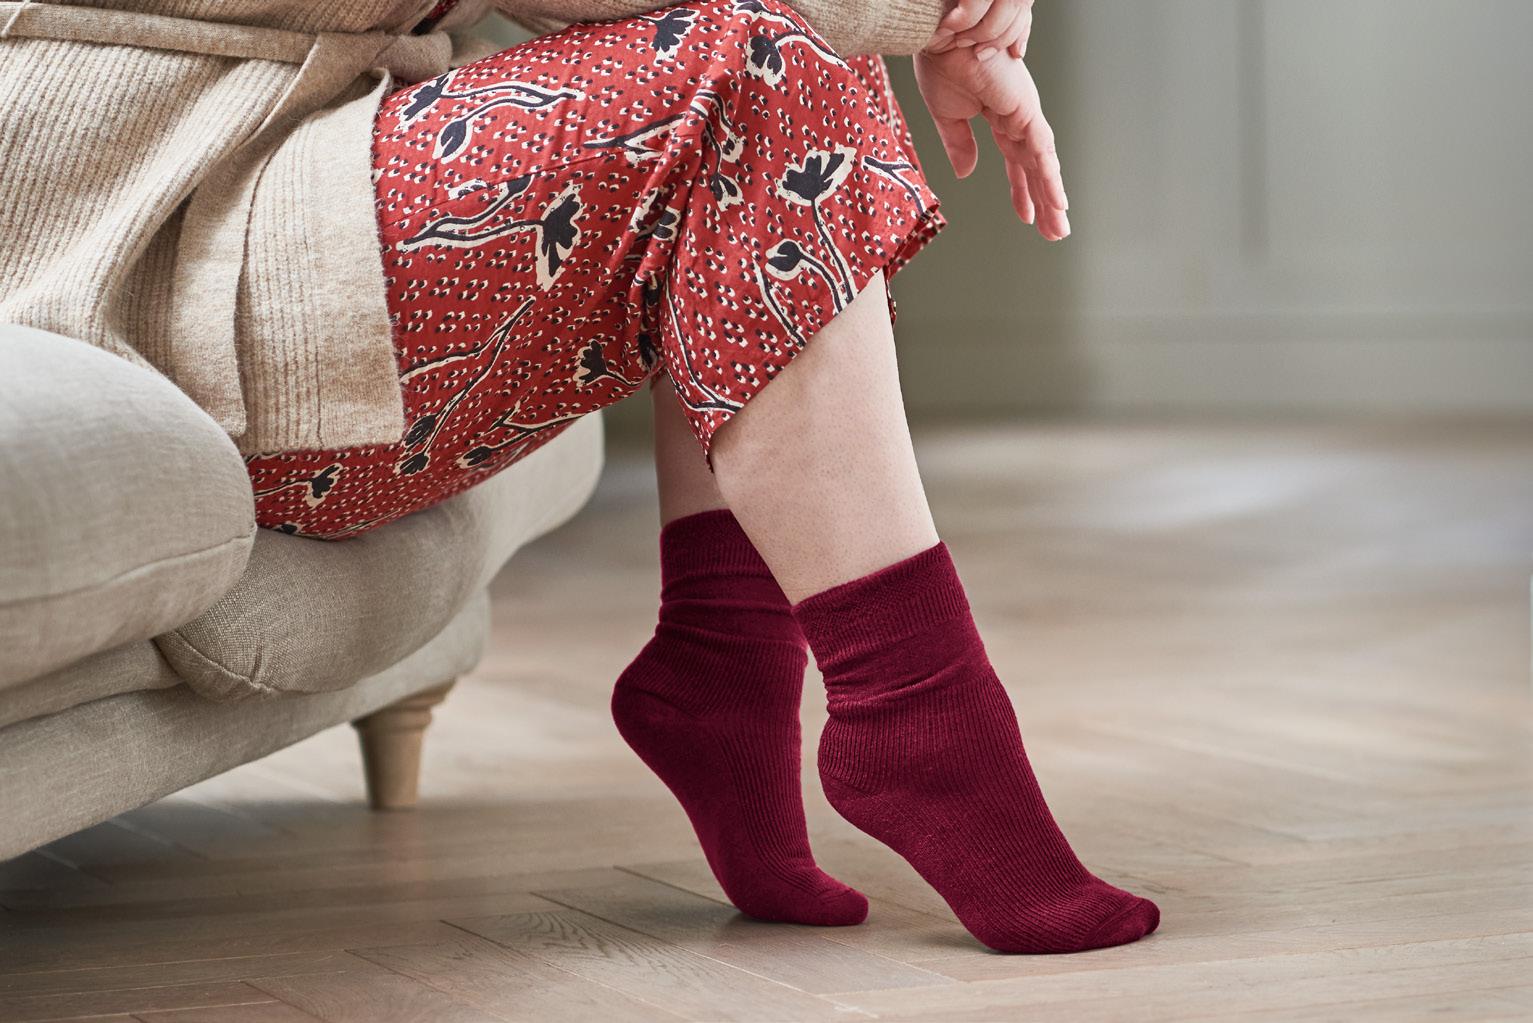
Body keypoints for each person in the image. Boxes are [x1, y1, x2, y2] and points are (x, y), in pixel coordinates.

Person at [0, 0, 1157, 953]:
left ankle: (728, 662)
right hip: (158, 254)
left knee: (791, 50)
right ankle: (914, 719)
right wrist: (939, 16)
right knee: (757, 60)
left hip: (280, 175)